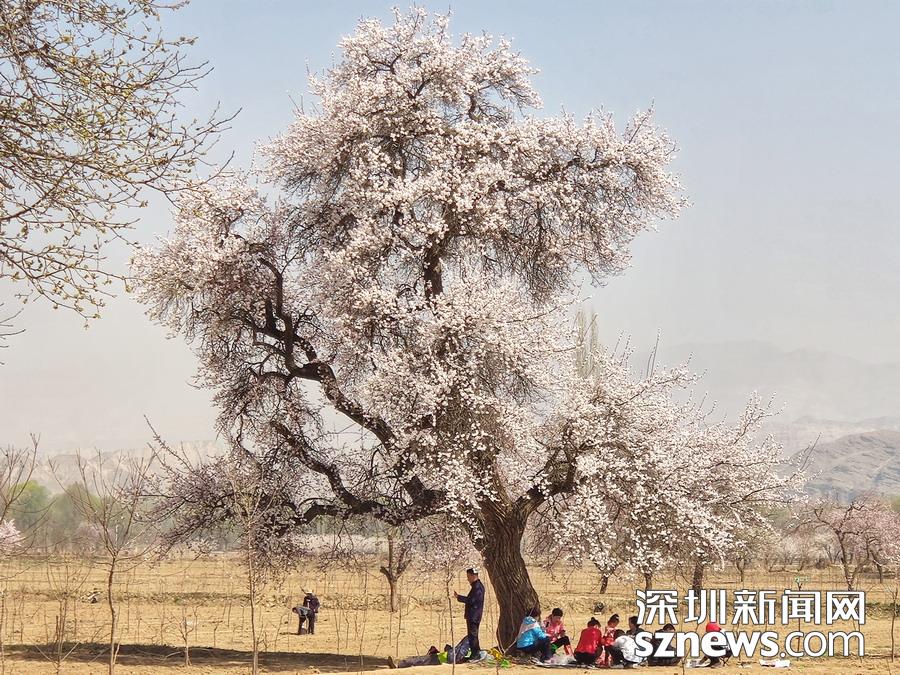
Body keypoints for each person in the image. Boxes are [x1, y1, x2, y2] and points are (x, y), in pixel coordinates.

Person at [454, 567, 484, 661]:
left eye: (468, 577)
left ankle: (475, 654)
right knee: (472, 635)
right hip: (473, 615)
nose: (467, 579)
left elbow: (471, 600)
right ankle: (476, 652)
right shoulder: (476, 586)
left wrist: (459, 597)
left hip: (474, 616)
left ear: (472, 576)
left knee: (473, 636)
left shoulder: (477, 587)